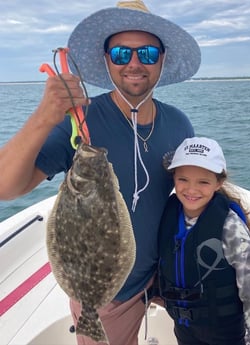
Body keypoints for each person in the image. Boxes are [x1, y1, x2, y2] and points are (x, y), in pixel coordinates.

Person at [0, 1, 201, 344]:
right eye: (122, 53)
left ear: (162, 60)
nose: (134, 63)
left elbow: (188, 194)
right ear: (107, 60)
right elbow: (6, 187)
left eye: (148, 53)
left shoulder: (179, 124)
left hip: (163, 274)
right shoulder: (79, 120)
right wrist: (45, 116)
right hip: (108, 292)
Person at [158, 137, 250, 345]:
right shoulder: (169, 215)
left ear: (218, 183)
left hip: (225, 335)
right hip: (185, 333)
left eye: (203, 182)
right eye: (183, 179)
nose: (191, 190)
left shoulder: (230, 228)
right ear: (173, 178)